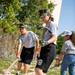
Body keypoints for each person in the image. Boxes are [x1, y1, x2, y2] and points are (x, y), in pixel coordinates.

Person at [35, 8, 57, 75]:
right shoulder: (46, 25)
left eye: (44, 16)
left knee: (38, 69)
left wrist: (46, 43)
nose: (42, 18)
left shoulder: (52, 24)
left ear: (49, 15)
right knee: (43, 72)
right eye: (41, 17)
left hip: (49, 48)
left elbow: (54, 37)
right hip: (45, 48)